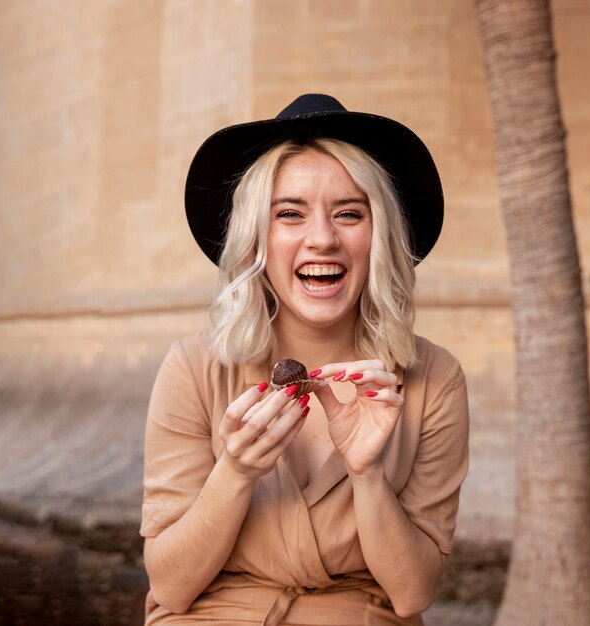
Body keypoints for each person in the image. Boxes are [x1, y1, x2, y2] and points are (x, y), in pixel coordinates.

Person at [140, 94, 469, 626]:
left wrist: (367, 475)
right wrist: (237, 472)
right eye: (289, 214)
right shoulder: (194, 367)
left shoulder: (435, 379)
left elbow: (412, 596)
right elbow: (171, 588)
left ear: (379, 235)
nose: (323, 239)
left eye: (349, 214)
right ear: (258, 240)